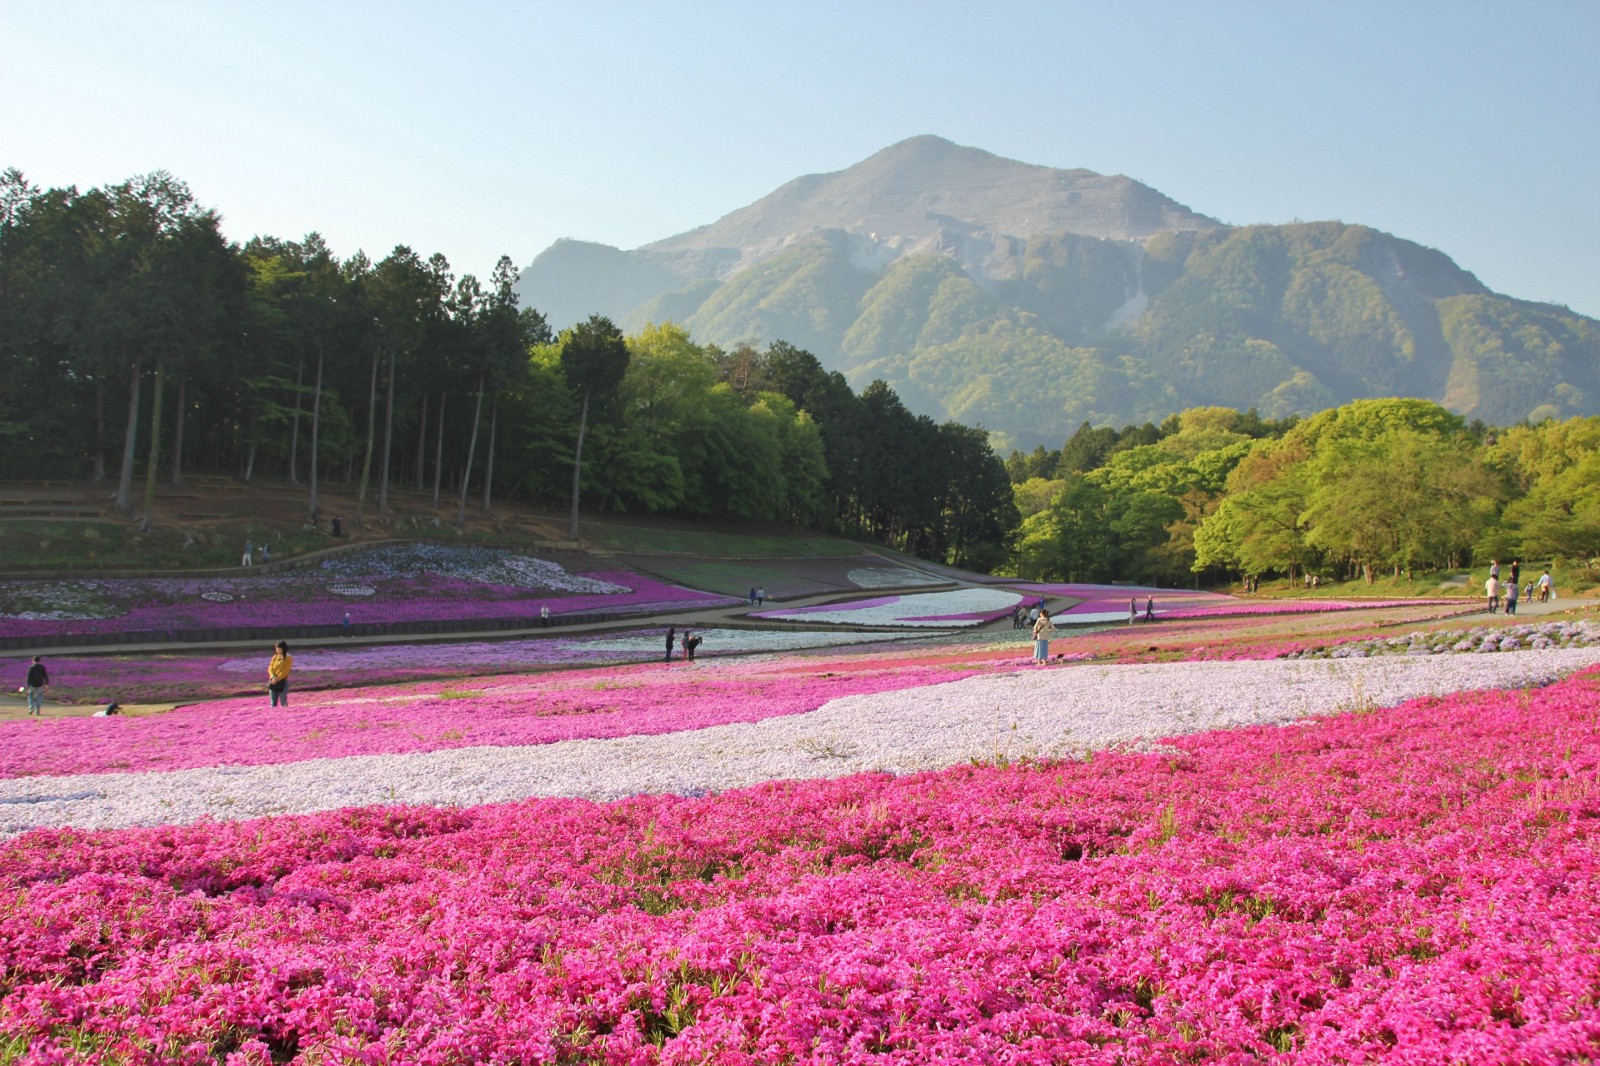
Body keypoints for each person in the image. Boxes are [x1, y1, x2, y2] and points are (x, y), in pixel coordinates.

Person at [268, 641, 293, 707]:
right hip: (273, 681)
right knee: (273, 703)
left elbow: (286, 671)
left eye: (279, 648)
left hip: (282, 682)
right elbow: (270, 668)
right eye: (276, 648)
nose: (277, 650)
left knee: (283, 702)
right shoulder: (275, 657)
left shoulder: (288, 658)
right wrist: (273, 676)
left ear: (283, 648)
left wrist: (278, 678)